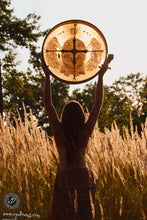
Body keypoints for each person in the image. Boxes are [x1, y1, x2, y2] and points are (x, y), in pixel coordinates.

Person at [42, 57, 109, 220]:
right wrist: (100, 77)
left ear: (64, 116)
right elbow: (97, 104)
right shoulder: (84, 133)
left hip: (63, 179)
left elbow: (48, 105)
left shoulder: (59, 132)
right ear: (81, 116)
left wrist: (48, 76)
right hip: (83, 179)